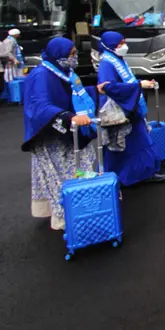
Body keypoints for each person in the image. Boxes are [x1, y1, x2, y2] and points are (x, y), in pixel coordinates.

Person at [22, 37, 102, 230]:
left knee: (76, 167)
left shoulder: (63, 71)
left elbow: (72, 94)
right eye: (71, 54)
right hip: (50, 133)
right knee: (58, 174)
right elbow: (40, 106)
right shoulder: (41, 75)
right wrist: (68, 117)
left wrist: (94, 91)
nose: (74, 57)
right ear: (59, 55)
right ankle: (66, 216)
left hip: (67, 130)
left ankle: (78, 209)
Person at [97, 31, 165, 186]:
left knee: (134, 143)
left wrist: (140, 83)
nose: (124, 46)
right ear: (111, 45)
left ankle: (138, 173)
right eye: (120, 43)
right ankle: (119, 177)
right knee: (124, 146)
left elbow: (125, 82)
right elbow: (109, 87)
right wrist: (139, 85)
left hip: (130, 108)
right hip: (121, 110)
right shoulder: (107, 64)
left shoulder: (117, 59)